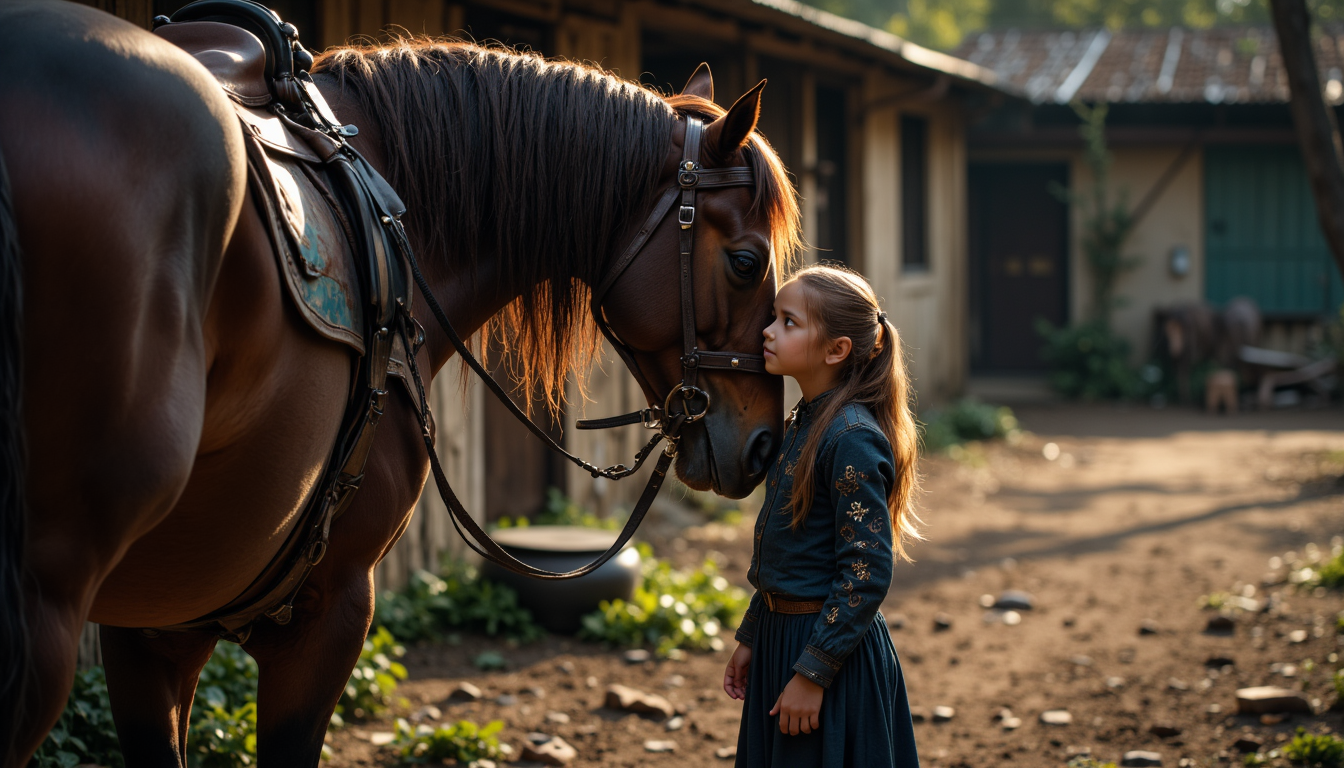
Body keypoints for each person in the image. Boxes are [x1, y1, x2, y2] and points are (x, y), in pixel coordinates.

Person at [723, 264, 922, 767]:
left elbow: (865, 571)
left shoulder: (850, 437)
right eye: (773, 318)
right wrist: (753, 634)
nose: (767, 332)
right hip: (782, 638)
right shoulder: (803, 422)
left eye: (788, 322)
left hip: (827, 655)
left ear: (836, 350)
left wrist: (813, 674)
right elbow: (791, 554)